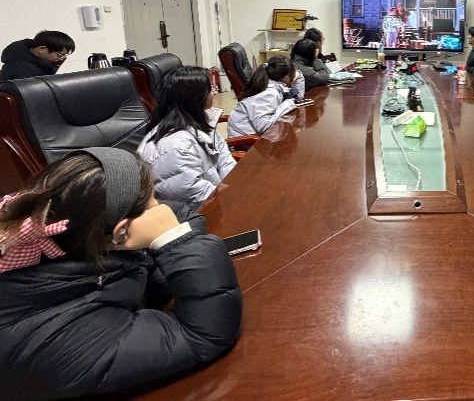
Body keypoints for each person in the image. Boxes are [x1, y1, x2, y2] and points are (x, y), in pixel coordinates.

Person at [0, 148, 242, 398]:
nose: (161, 211)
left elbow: (176, 214)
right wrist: (172, 239)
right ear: (120, 232)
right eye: (154, 201)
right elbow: (203, 334)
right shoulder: (64, 339)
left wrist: (159, 244)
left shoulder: (67, 229)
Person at [138, 66, 236, 208]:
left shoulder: (203, 121)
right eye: (210, 89)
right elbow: (194, 196)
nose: (214, 92)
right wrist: (232, 198)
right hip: (197, 213)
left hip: (219, 199)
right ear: (195, 97)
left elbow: (225, 159)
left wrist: (236, 186)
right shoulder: (176, 145)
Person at [228, 55, 305, 137]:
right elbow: (263, 126)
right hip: (245, 141)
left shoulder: (269, 85)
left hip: (251, 135)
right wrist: (284, 107)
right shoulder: (269, 93)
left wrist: (299, 76)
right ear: (286, 77)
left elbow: (297, 97)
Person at [0, 30, 75, 81]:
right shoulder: (17, 69)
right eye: (60, 54)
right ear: (41, 49)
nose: (62, 58)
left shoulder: (43, 64)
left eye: (65, 55)